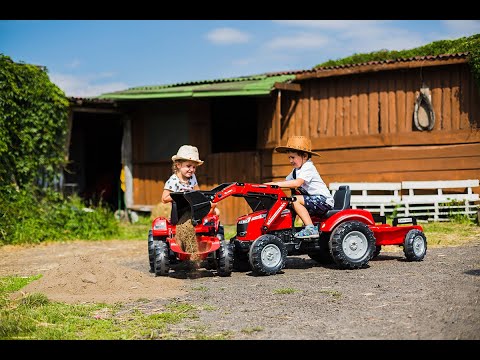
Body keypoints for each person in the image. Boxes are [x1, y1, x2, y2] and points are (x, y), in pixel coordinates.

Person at [265, 136, 334, 238]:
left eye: (293, 157)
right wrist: (269, 187)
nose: (290, 161)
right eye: (289, 158)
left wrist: (274, 184)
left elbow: (297, 183)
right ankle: (286, 230)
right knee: (287, 202)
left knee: (295, 200)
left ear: (304, 156)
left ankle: (310, 229)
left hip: (323, 201)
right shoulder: (296, 171)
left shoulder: (308, 167)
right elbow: (286, 182)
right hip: (314, 201)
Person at [162, 145, 219, 215]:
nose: (192, 170)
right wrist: (181, 195)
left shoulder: (192, 177)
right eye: (188, 166)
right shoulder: (173, 181)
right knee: (210, 209)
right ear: (178, 165)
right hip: (180, 210)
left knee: (216, 211)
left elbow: (198, 192)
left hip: (192, 206)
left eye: (194, 167)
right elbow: (164, 199)